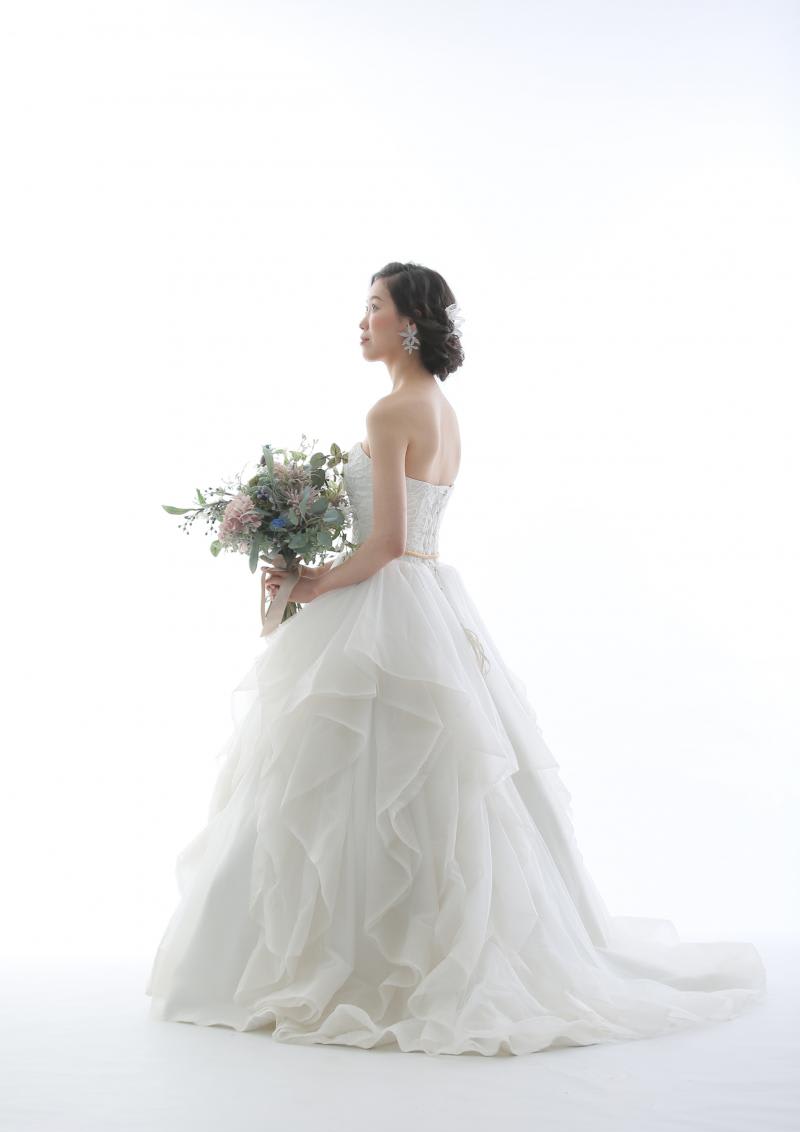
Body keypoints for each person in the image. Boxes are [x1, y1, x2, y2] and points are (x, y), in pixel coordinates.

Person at [145, 260, 767, 1056]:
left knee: (350, 782)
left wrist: (311, 582)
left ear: (409, 322)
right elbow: (411, 538)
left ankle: (355, 961)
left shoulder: (387, 412)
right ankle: (420, 946)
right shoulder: (441, 408)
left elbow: (387, 543)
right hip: (431, 599)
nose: (361, 320)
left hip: (389, 601)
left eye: (374, 306)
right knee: (427, 791)